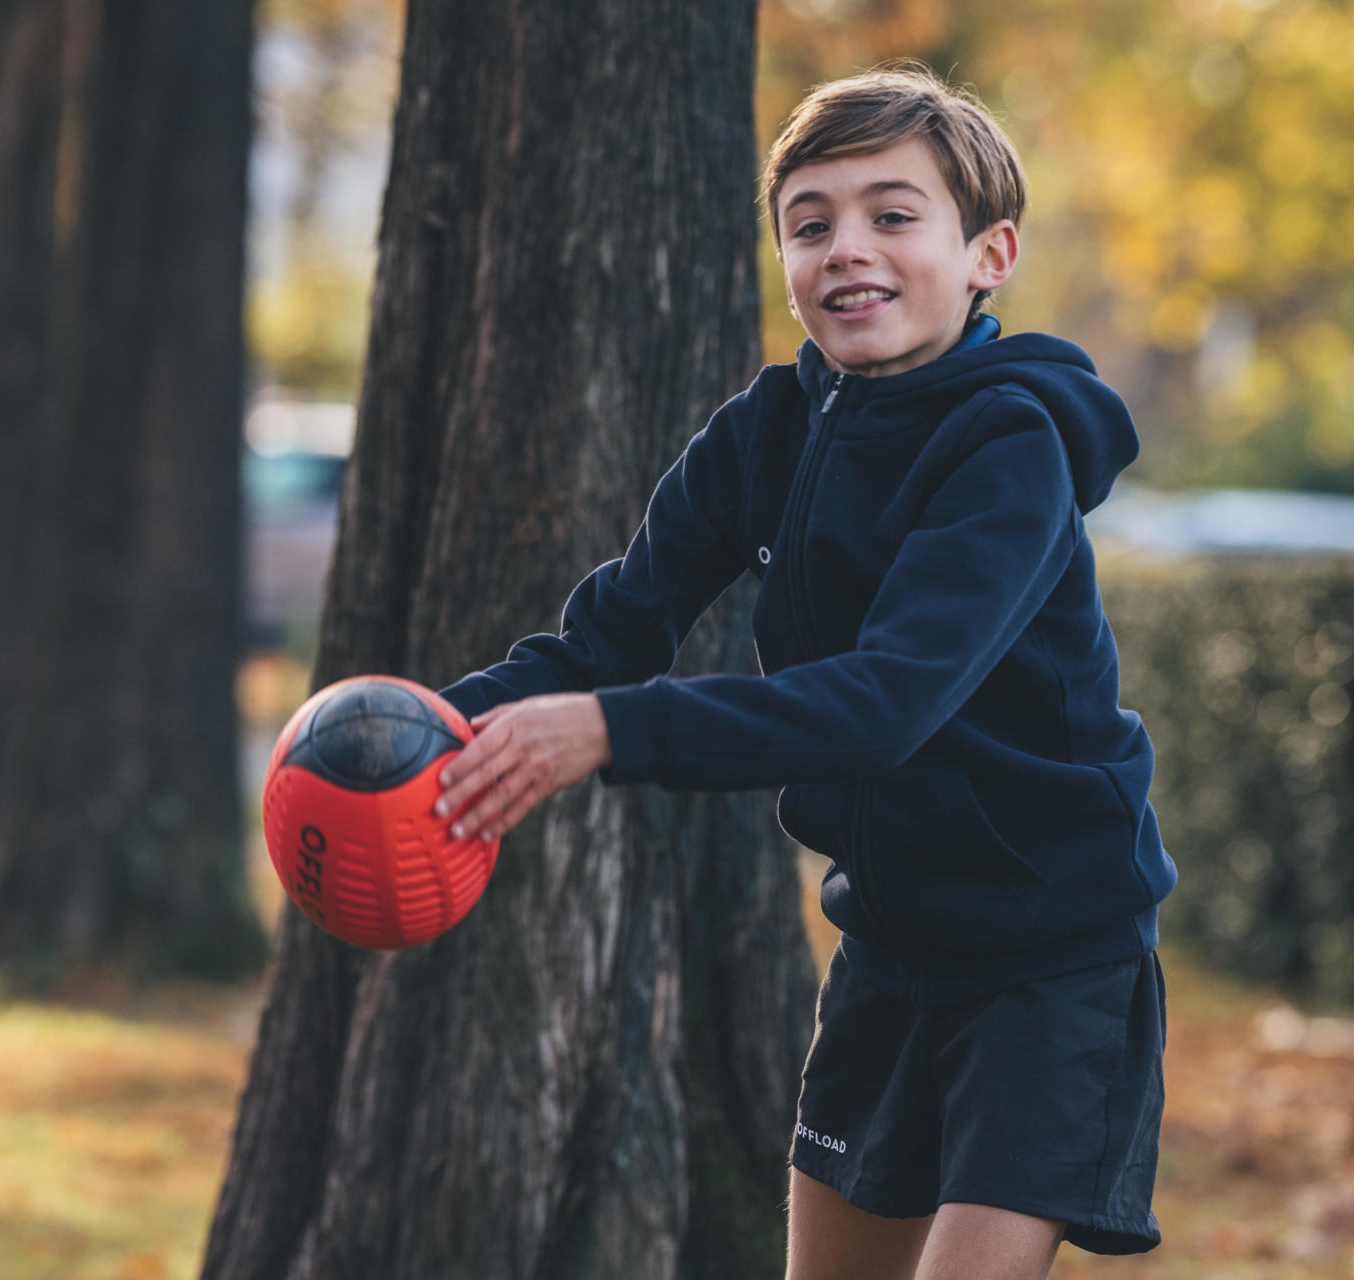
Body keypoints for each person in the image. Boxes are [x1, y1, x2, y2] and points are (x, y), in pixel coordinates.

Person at [431, 65, 1174, 1280]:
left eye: (893, 214)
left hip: (1053, 953)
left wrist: (608, 732)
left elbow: (885, 703)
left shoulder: (1011, 443)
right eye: (810, 221)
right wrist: (423, 726)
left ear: (989, 254)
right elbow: (605, 638)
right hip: (887, 946)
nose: (847, 249)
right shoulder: (763, 432)